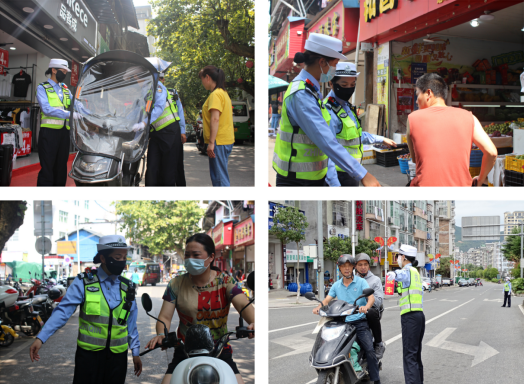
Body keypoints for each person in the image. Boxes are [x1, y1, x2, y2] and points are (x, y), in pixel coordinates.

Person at [272, 33, 382, 187]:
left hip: (312, 177)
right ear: (322, 62)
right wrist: (362, 174)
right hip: (297, 181)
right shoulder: (302, 94)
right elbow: (326, 141)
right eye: (335, 64)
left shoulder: (312, 91)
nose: (335, 69)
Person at [29, 235, 142, 383]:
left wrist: (136, 352)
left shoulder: (128, 287)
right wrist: (41, 338)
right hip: (89, 357)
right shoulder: (84, 282)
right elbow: (63, 311)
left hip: (118, 359)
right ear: (103, 258)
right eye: (117, 257)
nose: (122, 262)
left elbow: (131, 324)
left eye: (124, 257)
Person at [145, 234, 254, 384]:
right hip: (184, 350)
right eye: (187, 255)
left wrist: (254, 322)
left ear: (210, 257)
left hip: (220, 350)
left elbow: (243, 305)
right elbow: (164, 317)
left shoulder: (226, 281)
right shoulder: (176, 284)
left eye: (196, 255)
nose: (190, 259)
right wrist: (160, 335)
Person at [406, 72, 497, 186]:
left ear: (428, 93)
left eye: (417, 94)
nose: (416, 101)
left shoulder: (412, 118)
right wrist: (480, 179)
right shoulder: (469, 117)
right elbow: (492, 152)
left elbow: (415, 159)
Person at [324, 63, 397, 186]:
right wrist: (334, 186)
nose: (349, 88)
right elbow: (327, 151)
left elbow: (355, 137)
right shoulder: (328, 111)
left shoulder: (346, 107)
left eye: (353, 85)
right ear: (331, 83)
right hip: (338, 175)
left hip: (352, 172)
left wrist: (381, 139)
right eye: (344, 85)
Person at [313, 254, 382, 384]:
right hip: (342, 322)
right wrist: (318, 307)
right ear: (339, 268)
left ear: (353, 268)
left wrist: (366, 307)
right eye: (343, 266)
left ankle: (376, 379)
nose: (346, 269)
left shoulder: (361, 282)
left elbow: (371, 298)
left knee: (369, 349)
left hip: (359, 321)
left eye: (349, 266)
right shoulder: (336, 285)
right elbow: (328, 299)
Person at [35, 59, 77, 186]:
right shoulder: (42, 88)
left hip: (64, 134)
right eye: (62, 71)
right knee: (47, 167)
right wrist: (69, 114)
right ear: (53, 70)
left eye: (65, 72)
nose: (64, 74)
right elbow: (46, 109)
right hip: (48, 133)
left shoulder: (65, 89)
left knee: (61, 167)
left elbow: (76, 104)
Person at [386, 245, 425, 384]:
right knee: (415, 356)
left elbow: (402, 274)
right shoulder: (416, 272)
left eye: (398, 256)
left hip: (410, 317)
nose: (397, 259)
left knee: (409, 356)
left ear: (403, 257)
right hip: (419, 316)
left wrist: (394, 274)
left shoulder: (407, 270)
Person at [148, 72, 187, 186]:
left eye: (161, 78)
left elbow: (179, 111)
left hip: (171, 132)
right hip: (155, 134)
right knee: (152, 168)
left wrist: (183, 131)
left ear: (163, 80)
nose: (160, 80)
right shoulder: (147, 92)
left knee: (170, 168)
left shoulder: (170, 92)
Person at [199, 65, 235, 187]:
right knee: (220, 176)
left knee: (219, 179)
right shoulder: (224, 93)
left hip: (218, 142)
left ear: (207, 77)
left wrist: (211, 143)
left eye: (202, 79)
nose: (202, 82)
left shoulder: (215, 95)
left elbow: (215, 119)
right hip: (225, 140)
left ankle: (224, 204)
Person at [355, 253, 386, 359]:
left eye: (365, 264)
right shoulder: (352, 280)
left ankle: (378, 343)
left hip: (371, 311)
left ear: (369, 266)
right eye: (360, 265)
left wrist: (367, 300)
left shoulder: (375, 280)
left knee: (371, 312)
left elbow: (378, 301)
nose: (363, 267)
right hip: (355, 310)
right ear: (355, 266)